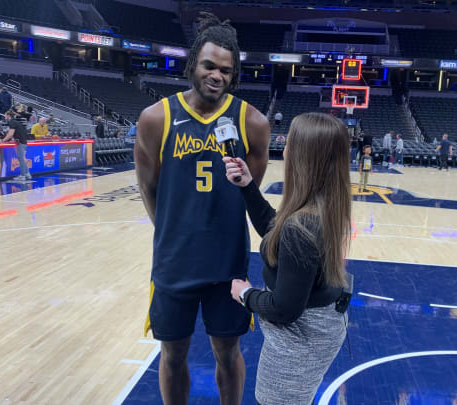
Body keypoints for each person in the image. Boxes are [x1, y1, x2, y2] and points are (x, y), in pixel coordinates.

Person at [133, 12, 270, 405]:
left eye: (226, 71)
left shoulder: (253, 122)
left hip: (227, 264)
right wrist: (174, 233)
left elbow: (251, 190)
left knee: (227, 353)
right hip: (174, 264)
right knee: (172, 354)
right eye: (210, 66)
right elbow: (148, 186)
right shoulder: (155, 118)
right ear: (193, 63)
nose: (217, 76)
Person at [224, 112, 350, 405]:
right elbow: (276, 229)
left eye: (290, 142)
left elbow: (284, 309)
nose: (286, 146)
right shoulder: (323, 205)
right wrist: (247, 185)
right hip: (321, 327)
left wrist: (245, 294)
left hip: (301, 338)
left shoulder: (302, 227)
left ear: (303, 156)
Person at [0, 110, 30, 181]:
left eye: (5, 115)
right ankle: (27, 174)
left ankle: (23, 176)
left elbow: (10, 134)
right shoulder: (16, 121)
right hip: (23, 142)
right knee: (22, 159)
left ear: (8, 115)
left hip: (20, 143)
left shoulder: (12, 122)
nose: (4, 116)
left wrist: (3, 140)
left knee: (21, 159)